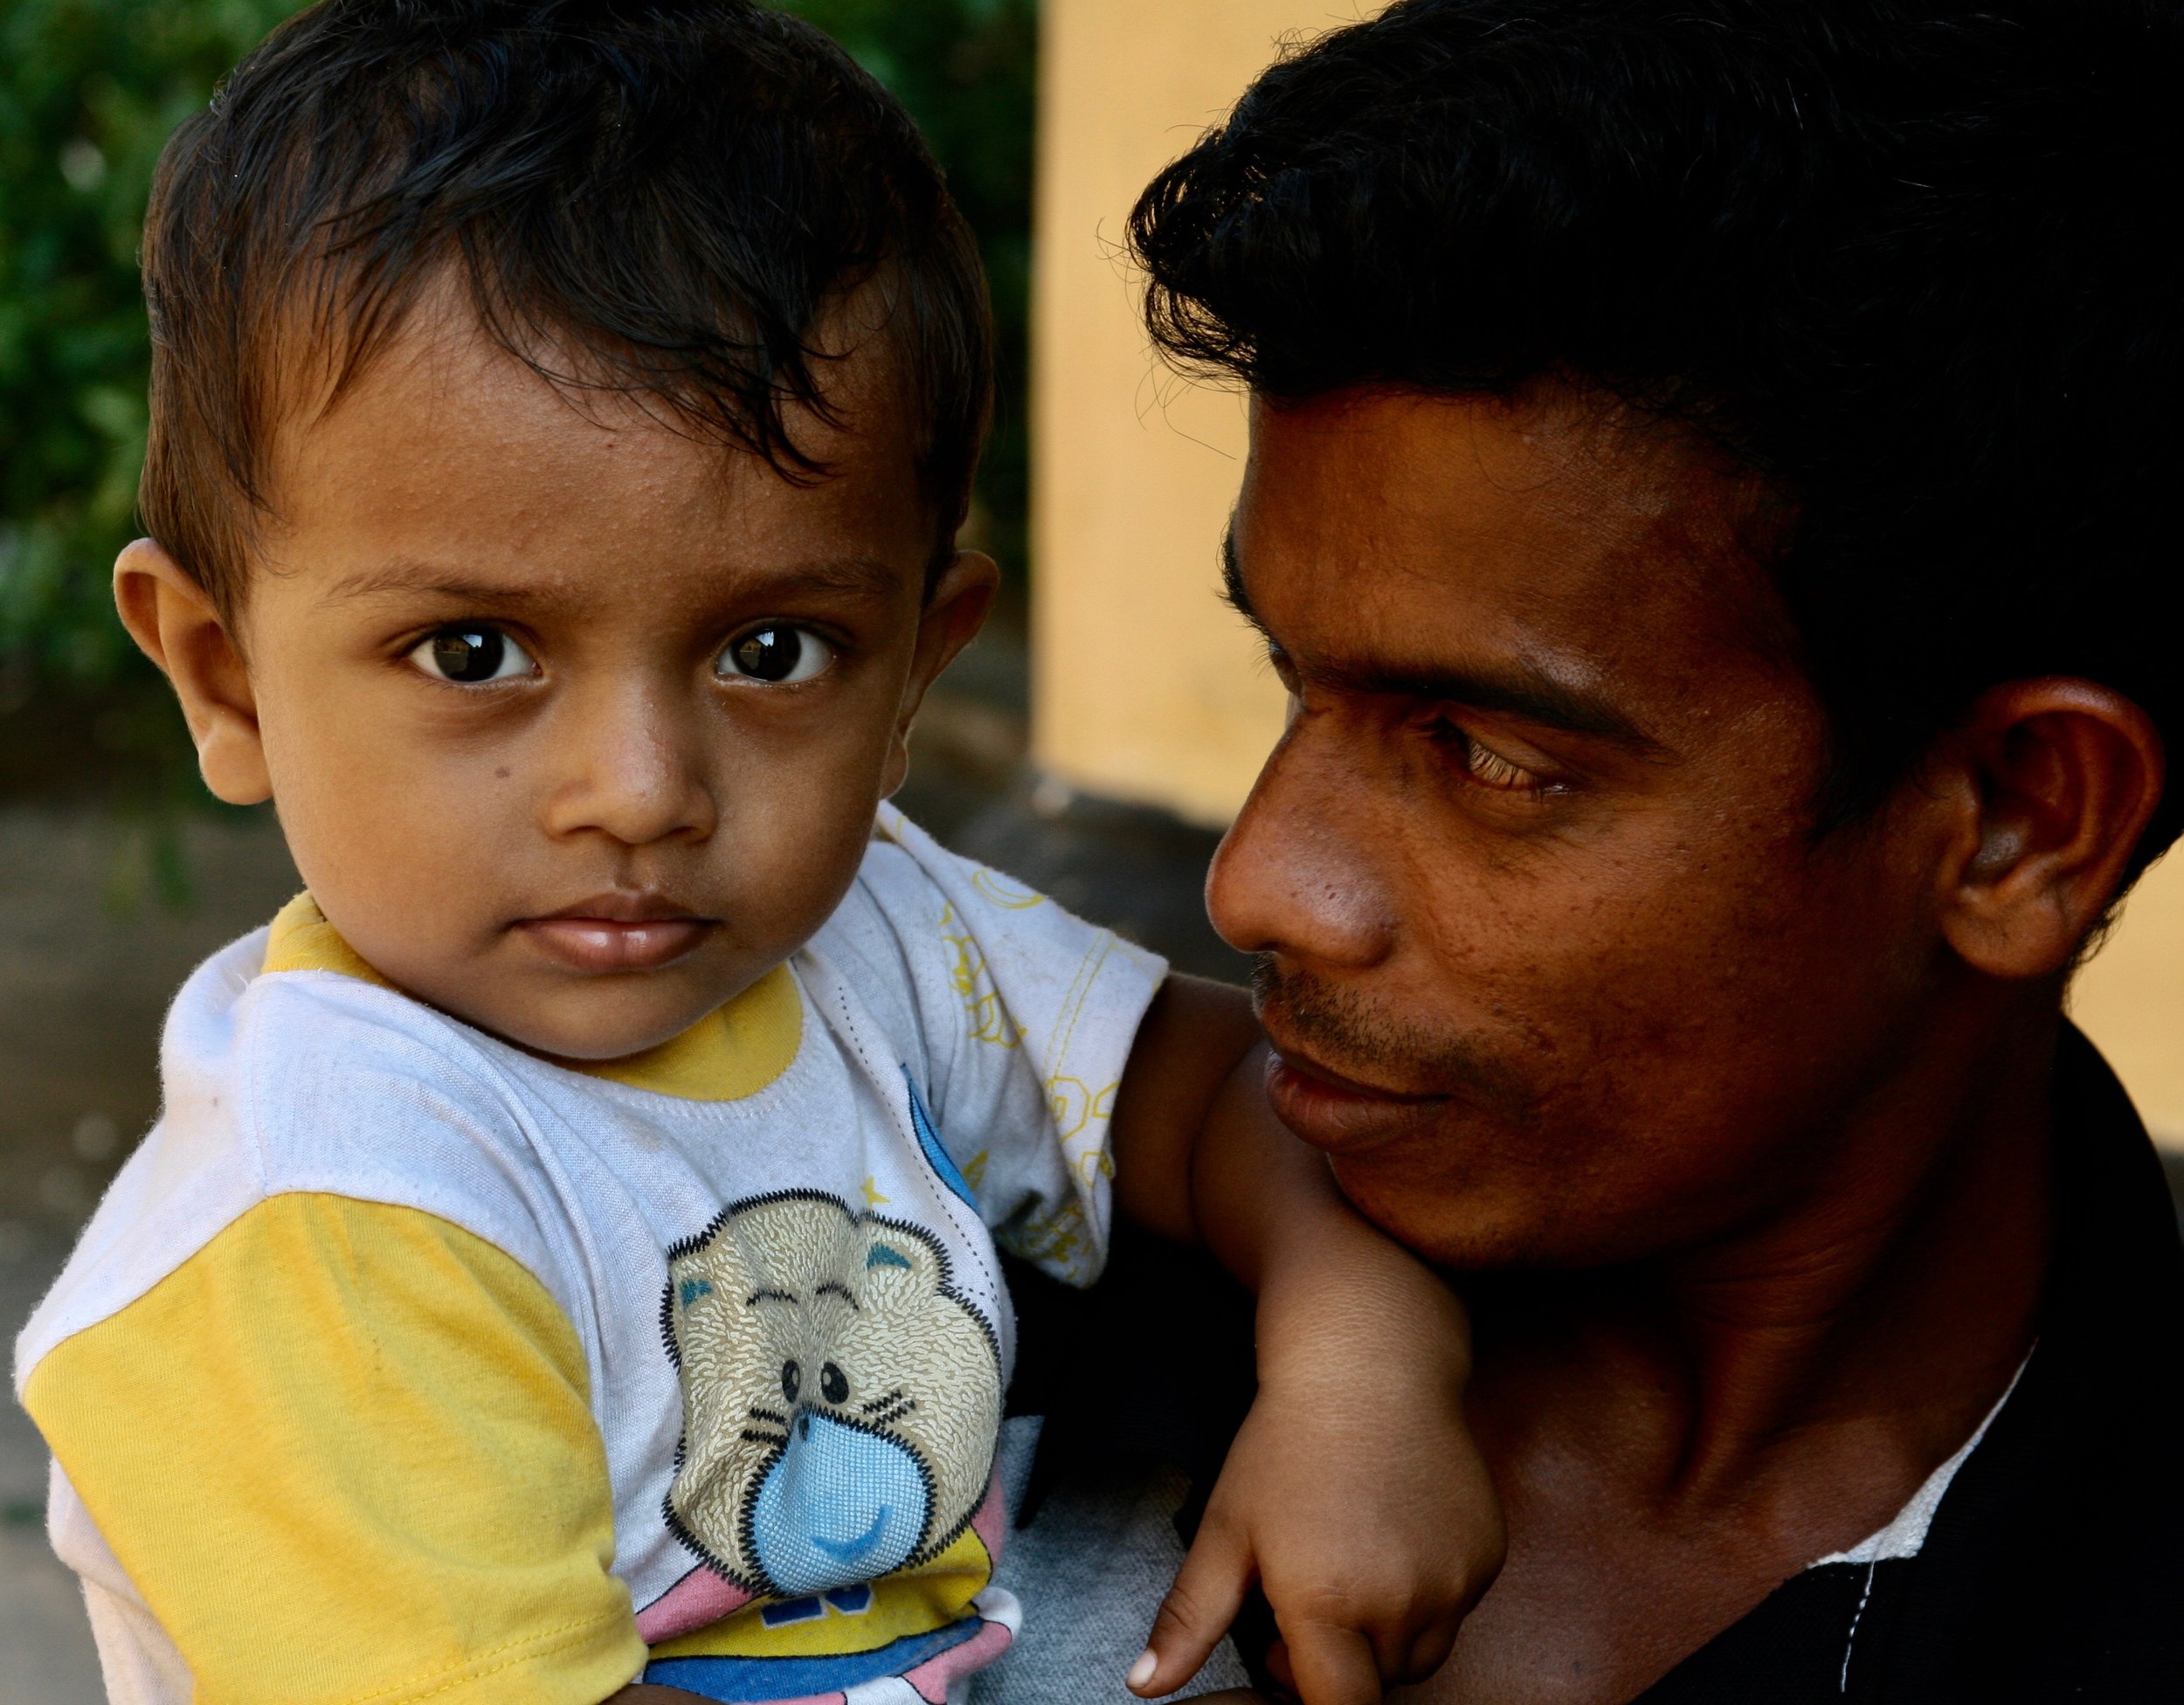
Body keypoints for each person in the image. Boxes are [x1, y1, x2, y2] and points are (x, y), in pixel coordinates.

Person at [9, 5, 1503, 1703]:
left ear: (917, 663)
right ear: (225, 679)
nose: (640, 793)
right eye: (474, 653)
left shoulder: (878, 927)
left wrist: (1360, 1379)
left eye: (771, 652)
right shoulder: (329, 1218)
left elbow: (1230, 1092)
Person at [1073, 0, 2184, 1697]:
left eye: (1489, 756)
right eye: (1289, 681)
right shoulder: (896, 1278)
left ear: (2017, 823)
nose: (1257, 883)